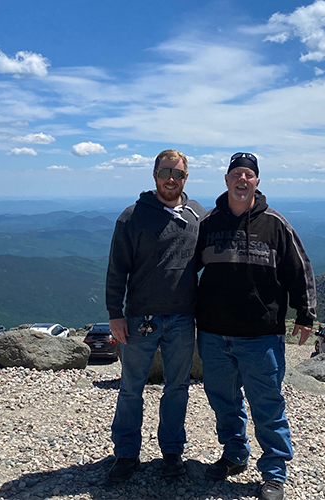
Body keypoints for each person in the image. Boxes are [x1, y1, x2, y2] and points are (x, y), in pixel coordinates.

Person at [195, 152, 316, 500]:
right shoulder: (209, 222)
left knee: (267, 405)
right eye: (236, 174)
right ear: (227, 179)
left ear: (257, 182)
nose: (242, 180)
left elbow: (299, 269)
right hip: (214, 333)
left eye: (249, 175)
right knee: (223, 401)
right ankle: (235, 454)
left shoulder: (275, 224)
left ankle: (275, 473)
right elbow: (187, 272)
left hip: (261, 335)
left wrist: (306, 315)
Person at [105, 149, 206, 483]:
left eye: (177, 174)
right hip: (139, 318)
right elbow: (117, 269)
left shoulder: (197, 216)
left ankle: (172, 453)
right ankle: (126, 454)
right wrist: (114, 314)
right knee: (131, 388)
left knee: (177, 388)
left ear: (186, 178)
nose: (171, 180)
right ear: (154, 175)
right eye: (165, 173)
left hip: (182, 318)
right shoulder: (132, 217)